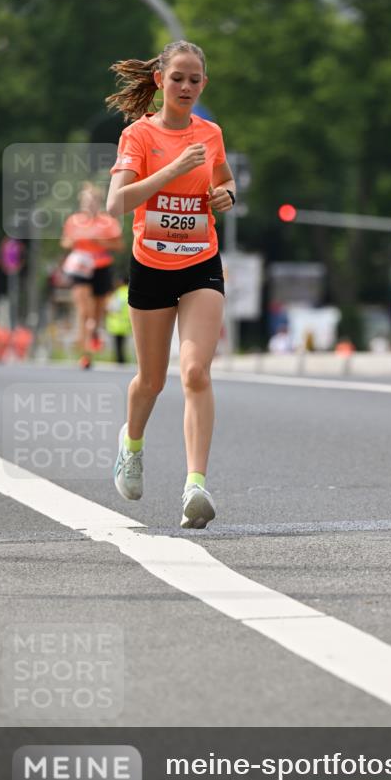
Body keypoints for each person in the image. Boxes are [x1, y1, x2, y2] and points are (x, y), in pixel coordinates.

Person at [105, 39, 235, 529]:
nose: (186, 86)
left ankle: (195, 485)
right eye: (177, 77)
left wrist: (226, 196)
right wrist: (172, 169)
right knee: (152, 380)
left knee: (196, 372)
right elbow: (116, 204)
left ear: (203, 84)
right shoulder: (138, 136)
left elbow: (224, 181)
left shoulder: (211, 133)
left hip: (201, 261)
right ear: (159, 80)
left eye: (195, 79)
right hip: (151, 265)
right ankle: (131, 445)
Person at [61, 182, 123, 368]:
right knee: (84, 310)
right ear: (82, 203)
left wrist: (99, 242)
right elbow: (65, 243)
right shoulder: (73, 221)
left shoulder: (108, 222)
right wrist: (73, 242)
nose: (89, 205)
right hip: (80, 267)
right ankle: (85, 353)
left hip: (101, 267)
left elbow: (119, 246)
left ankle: (93, 333)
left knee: (96, 313)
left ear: (99, 202)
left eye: (93, 201)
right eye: (86, 202)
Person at [106, 273, 132, 363]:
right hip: (127, 324)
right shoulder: (131, 293)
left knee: (117, 346)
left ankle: (119, 360)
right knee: (125, 345)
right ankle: (123, 359)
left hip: (116, 325)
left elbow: (111, 308)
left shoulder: (117, 294)